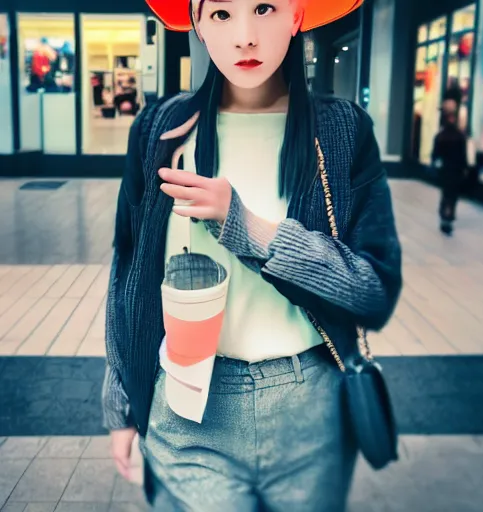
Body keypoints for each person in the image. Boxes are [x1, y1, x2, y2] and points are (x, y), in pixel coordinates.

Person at [103, 0, 402, 510]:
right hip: (186, 404)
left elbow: (372, 291)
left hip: (310, 408)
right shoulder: (160, 129)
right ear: (196, 23)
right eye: (221, 13)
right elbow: (128, 273)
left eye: (264, 7)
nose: (244, 36)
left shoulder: (341, 131)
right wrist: (121, 406)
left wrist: (246, 227)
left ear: (297, 16)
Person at [432, 99, 468, 235]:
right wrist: (465, 168)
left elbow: (435, 155)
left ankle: (444, 217)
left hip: (446, 169)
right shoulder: (459, 136)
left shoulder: (440, 136)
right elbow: (463, 155)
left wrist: (435, 166)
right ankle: (448, 217)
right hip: (456, 169)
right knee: (452, 196)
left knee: (446, 194)